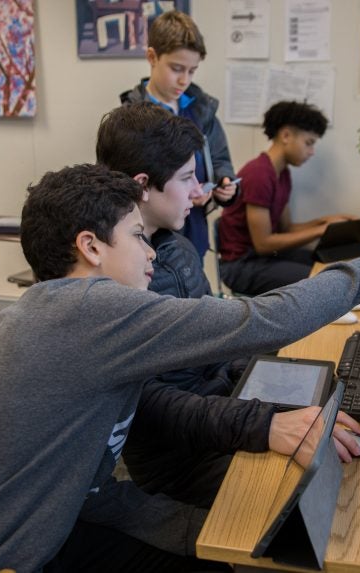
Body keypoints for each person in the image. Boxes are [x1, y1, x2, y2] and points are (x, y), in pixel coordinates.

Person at [0, 163, 360, 571]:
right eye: (138, 237)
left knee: (220, 546)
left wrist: (200, 533)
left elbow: (88, 486)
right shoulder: (88, 311)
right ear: (91, 246)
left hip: (56, 517)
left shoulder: (49, 313)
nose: (150, 255)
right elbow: (263, 320)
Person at [95, 101, 246, 504]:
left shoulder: (178, 248)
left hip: (219, 411)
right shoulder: (118, 277)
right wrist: (256, 423)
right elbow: (153, 406)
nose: (199, 192)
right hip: (180, 456)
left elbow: (215, 341)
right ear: (143, 185)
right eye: (188, 178)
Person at [120, 10, 237, 261]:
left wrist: (224, 184)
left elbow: (220, 159)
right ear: (152, 57)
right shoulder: (132, 117)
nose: (184, 79)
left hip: (193, 232)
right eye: (176, 68)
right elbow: (125, 184)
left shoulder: (201, 110)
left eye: (192, 71)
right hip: (149, 241)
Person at [218, 100, 354, 296]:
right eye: (309, 143)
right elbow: (263, 243)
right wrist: (321, 230)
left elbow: (287, 228)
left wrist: (325, 222)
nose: (311, 151)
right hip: (242, 266)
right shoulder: (259, 174)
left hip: (264, 257)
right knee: (324, 280)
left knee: (330, 265)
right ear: (286, 135)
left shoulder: (281, 174)